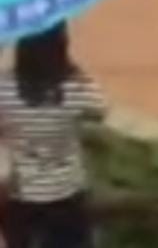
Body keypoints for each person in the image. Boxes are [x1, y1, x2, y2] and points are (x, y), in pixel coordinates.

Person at [0, 24, 105, 248]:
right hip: (66, 191)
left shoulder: (4, 87)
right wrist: (75, 71)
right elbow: (101, 109)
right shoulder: (72, 89)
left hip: (21, 193)